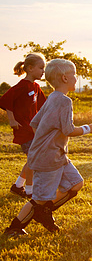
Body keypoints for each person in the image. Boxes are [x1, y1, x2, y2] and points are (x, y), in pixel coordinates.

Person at [3, 59, 92, 237]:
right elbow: (68, 130)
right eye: (73, 74)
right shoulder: (64, 102)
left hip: (58, 155)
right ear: (65, 78)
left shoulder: (52, 98)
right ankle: (14, 228)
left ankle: (44, 212)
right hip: (48, 157)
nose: (76, 77)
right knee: (39, 198)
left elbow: (34, 123)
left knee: (76, 184)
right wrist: (89, 128)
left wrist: (45, 139)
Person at [0, 53, 47, 198]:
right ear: (31, 68)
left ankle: (18, 186)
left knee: (32, 159)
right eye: (41, 68)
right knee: (34, 160)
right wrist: (12, 119)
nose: (43, 71)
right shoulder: (21, 86)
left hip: (33, 130)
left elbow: (44, 106)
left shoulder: (36, 87)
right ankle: (29, 191)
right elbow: (6, 101)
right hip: (23, 130)